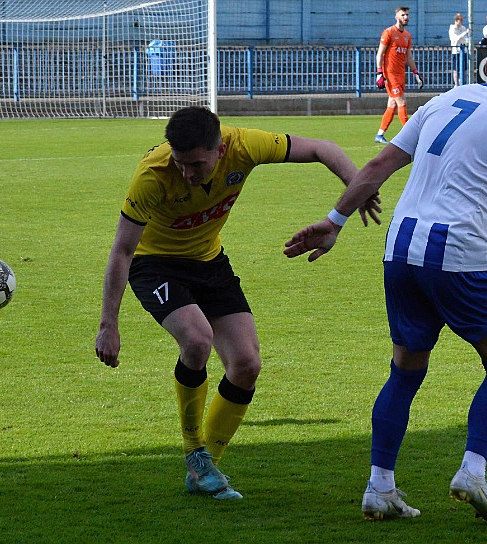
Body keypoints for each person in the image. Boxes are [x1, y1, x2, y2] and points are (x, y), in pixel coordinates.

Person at [284, 26, 487, 523]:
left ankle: (379, 486)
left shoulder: (440, 102)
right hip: (460, 255)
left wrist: (334, 221)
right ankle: (472, 470)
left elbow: (380, 164)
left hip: (401, 248)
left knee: (405, 370)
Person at [95, 106, 381, 500]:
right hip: (154, 263)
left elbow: (322, 148)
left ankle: (203, 467)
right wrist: (108, 324)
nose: (186, 174)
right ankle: (194, 449)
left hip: (209, 261)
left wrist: (356, 187)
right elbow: (122, 251)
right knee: (196, 341)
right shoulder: (152, 174)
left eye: (195, 164)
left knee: (246, 364)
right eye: (180, 163)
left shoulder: (245, 146)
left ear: (220, 148)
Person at [375, 6, 423, 144]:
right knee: (401, 102)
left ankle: (380, 134)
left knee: (392, 104)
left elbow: (409, 57)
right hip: (390, 74)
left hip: (401, 74)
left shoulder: (407, 36)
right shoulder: (389, 33)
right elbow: (380, 54)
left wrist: (415, 72)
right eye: (403, 15)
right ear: (396, 17)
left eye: (407, 15)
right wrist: (379, 73)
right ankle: (411, 136)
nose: (406, 17)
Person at [448, 13, 470, 87]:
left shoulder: (463, 28)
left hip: (463, 50)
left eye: (461, 20)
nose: (460, 22)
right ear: (456, 20)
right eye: (459, 20)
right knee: (456, 69)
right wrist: (464, 34)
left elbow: (465, 39)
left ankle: (463, 83)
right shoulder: (452, 28)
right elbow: (455, 39)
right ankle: (456, 84)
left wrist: (466, 41)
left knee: (465, 69)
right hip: (456, 51)